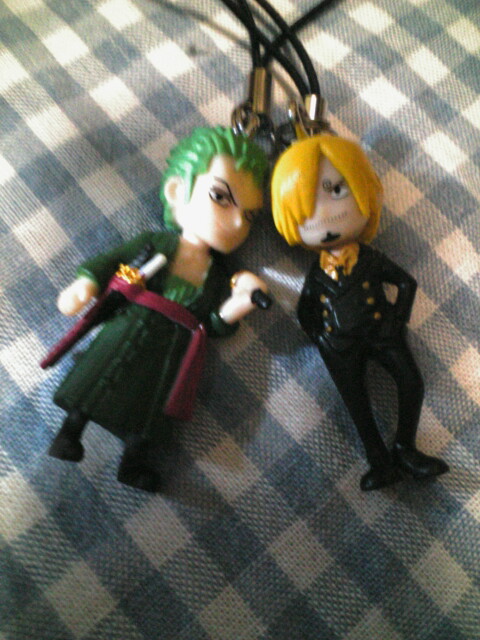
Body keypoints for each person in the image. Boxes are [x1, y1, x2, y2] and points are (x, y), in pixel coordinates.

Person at [47, 126, 269, 492]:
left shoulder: (219, 276)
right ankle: (70, 432)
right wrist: (86, 284)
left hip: (172, 350)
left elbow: (212, 326)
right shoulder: (156, 242)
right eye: (220, 197)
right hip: (131, 323)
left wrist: (238, 306)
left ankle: (133, 462)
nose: (235, 222)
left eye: (248, 216)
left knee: (151, 409)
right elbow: (113, 260)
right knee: (101, 374)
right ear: (177, 191)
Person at [271, 134, 448, 491]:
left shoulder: (370, 258)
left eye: (337, 191)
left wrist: (397, 319)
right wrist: (321, 337)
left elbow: (406, 283)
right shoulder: (317, 275)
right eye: (307, 207)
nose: (326, 215)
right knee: (357, 404)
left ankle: (406, 448)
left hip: (381, 331)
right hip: (339, 346)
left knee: (411, 381)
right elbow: (305, 309)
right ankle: (379, 462)